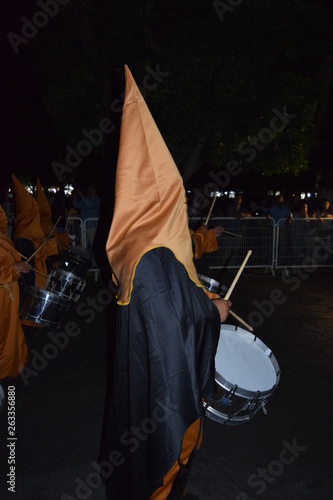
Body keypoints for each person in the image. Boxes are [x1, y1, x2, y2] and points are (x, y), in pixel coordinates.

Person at [99, 66, 231, 500]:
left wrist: (196, 298)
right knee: (159, 456)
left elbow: (170, 304)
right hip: (160, 385)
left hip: (139, 373)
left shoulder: (138, 242)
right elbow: (174, 327)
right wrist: (212, 311)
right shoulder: (155, 257)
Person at [0, 204, 30, 388]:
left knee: (9, 332)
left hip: (7, 297)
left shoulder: (2, 238)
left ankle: (10, 366)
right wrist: (13, 269)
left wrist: (18, 267)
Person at [72, 184, 101, 264]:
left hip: (91, 226)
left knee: (93, 246)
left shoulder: (97, 200)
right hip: (83, 226)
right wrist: (75, 197)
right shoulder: (86, 199)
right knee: (82, 246)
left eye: (90, 189)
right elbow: (77, 205)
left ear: (94, 190)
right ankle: (84, 263)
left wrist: (81, 196)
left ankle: (95, 265)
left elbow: (91, 205)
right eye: (88, 189)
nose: (89, 191)